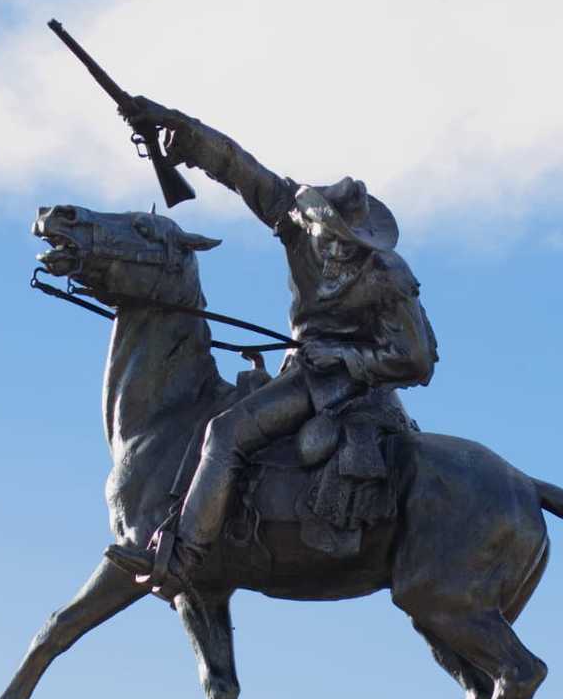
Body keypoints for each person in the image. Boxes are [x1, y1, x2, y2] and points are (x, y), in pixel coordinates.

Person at [106, 98, 438, 598]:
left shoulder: (388, 279)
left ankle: (181, 557)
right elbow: (241, 168)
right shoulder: (296, 224)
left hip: (349, 387)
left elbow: (418, 359)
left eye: (351, 239)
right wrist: (181, 132)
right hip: (301, 370)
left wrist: (344, 359)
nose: (337, 245)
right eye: (334, 233)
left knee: (225, 433)